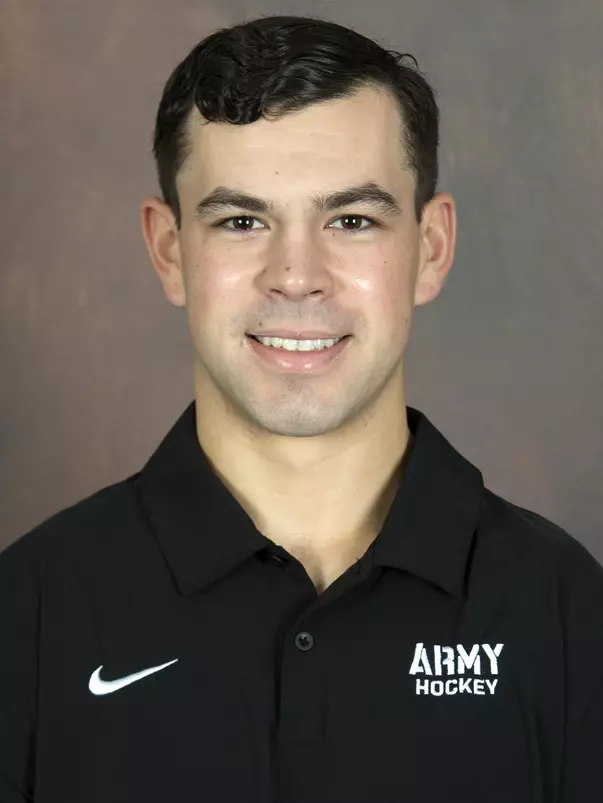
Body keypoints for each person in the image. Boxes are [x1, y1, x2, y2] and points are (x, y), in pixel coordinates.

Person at [1, 13, 602, 803]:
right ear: (170, 251)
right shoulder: (29, 613)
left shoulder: (564, 611)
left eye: (351, 220)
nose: (295, 275)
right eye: (241, 221)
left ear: (429, 247)